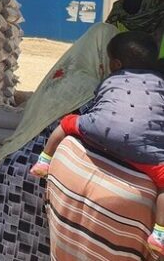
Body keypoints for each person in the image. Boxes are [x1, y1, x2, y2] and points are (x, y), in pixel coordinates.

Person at [0, 0, 164, 261]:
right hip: (36, 180)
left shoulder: (68, 81)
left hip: (16, 168)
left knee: (2, 246)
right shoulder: (93, 93)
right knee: (18, 253)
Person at [30, 31, 164, 254]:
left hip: (97, 131)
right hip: (143, 155)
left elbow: (100, 105)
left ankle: (44, 160)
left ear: (115, 62)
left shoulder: (108, 79)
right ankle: (159, 231)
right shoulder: (159, 85)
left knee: (67, 124)